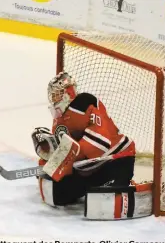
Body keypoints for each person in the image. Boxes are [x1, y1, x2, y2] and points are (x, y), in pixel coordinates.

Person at [32, 72, 150, 220]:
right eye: (52, 95)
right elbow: (62, 149)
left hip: (115, 159)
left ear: (68, 93)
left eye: (57, 94)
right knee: (57, 195)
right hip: (87, 168)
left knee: (102, 202)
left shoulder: (85, 102)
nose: (54, 98)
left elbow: (100, 143)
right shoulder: (58, 118)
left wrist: (70, 158)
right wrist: (48, 160)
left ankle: (125, 183)